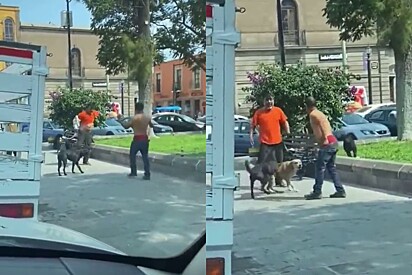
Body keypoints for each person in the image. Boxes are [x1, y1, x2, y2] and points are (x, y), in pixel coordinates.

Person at [304, 96, 346, 200]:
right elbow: (327, 128)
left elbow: (319, 131)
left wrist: (321, 142)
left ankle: (317, 191)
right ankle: (340, 190)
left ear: (306, 106)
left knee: (319, 168)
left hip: (326, 143)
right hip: (333, 141)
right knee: (331, 168)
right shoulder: (320, 113)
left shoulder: (313, 115)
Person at [250, 95, 290, 165]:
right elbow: (253, 125)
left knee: (279, 163)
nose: (269, 102)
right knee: (262, 163)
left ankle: (278, 176)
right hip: (265, 142)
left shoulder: (278, 110)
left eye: (270, 100)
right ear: (264, 102)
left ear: (273, 101)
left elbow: (284, 122)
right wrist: (251, 136)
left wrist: (288, 132)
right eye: (267, 100)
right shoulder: (259, 112)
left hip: (277, 141)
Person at [120, 102, 153, 180]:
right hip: (145, 139)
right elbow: (152, 125)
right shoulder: (147, 117)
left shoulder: (134, 118)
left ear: (136, 109)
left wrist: (120, 121)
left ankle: (134, 172)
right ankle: (147, 174)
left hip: (137, 139)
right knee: (145, 157)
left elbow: (126, 126)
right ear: (142, 108)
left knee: (132, 155)